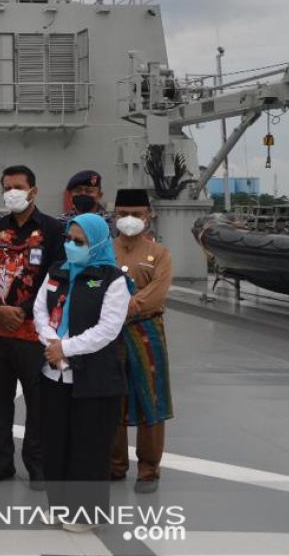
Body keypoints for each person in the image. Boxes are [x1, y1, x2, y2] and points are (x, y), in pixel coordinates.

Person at [33, 213, 129, 532]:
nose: (71, 246)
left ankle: (85, 514)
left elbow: (108, 329)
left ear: (98, 243)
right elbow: (40, 311)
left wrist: (66, 348)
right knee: (55, 442)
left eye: (79, 241)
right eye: (69, 240)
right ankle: (59, 507)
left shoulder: (113, 279)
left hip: (94, 378)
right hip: (54, 374)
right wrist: (52, 343)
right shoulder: (57, 270)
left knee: (89, 446)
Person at [0, 165, 64, 490]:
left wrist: (23, 311)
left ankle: (37, 465)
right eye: (7, 186)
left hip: (34, 331)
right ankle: (1, 462)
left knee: (38, 402)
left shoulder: (53, 231)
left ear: (33, 191)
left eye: (18, 186)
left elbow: (55, 277)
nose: (12, 192)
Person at [110, 189, 174, 493]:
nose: (129, 219)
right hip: (110, 333)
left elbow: (159, 290)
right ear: (114, 215)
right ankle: (114, 463)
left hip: (146, 330)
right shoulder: (105, 251)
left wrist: (129, 305)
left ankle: (149, 468)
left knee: (151, 397)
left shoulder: (159, 254)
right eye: (123, 213)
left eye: (136, 213)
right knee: (112, 397)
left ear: (149, 216)